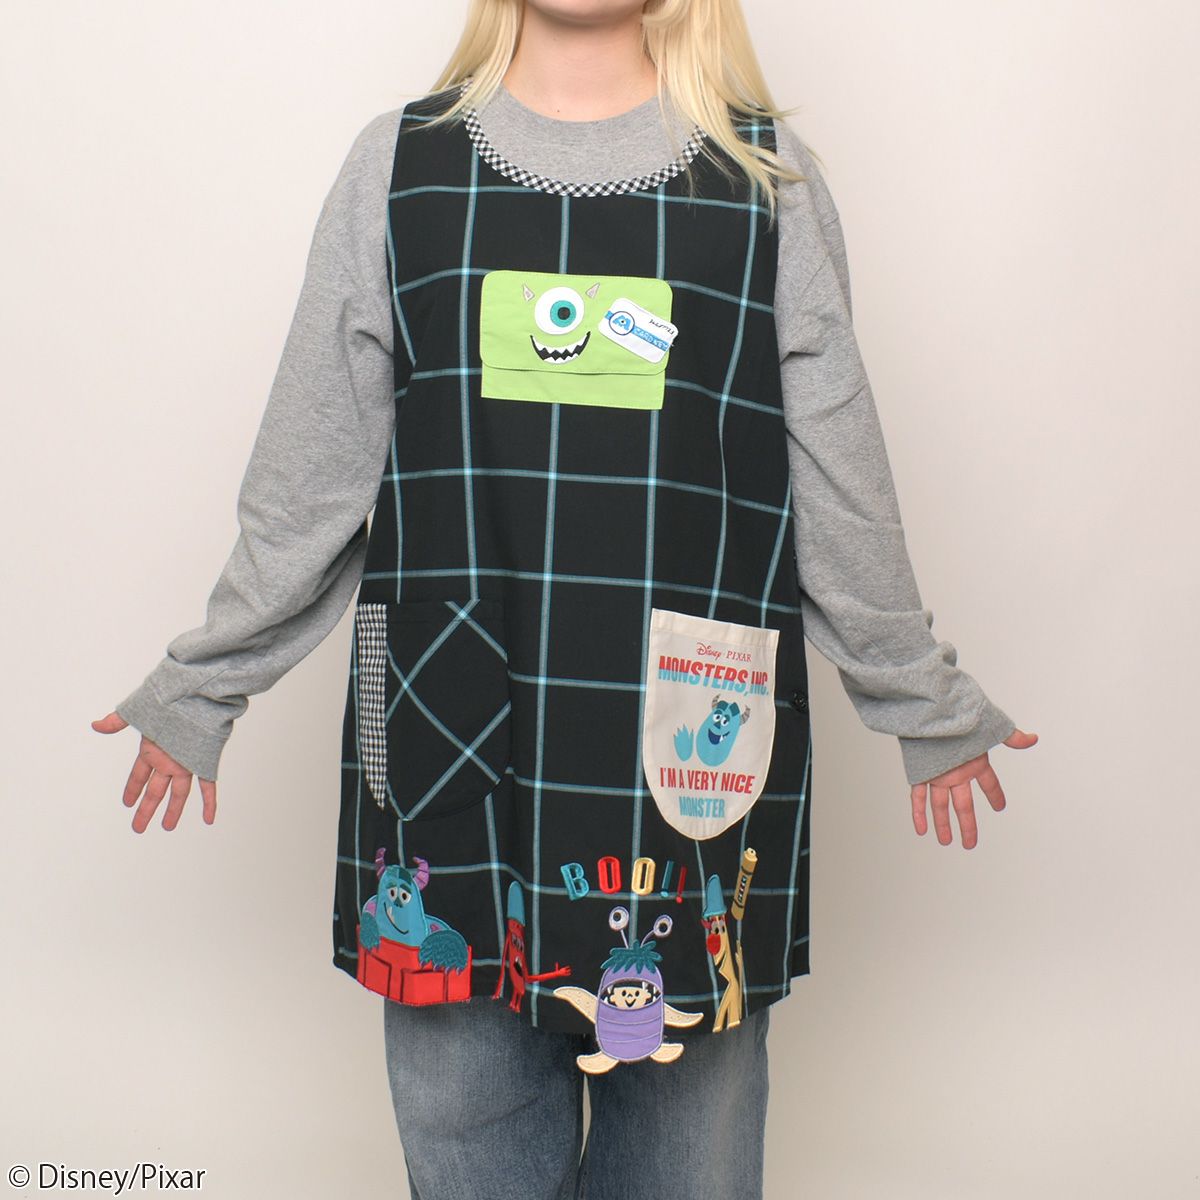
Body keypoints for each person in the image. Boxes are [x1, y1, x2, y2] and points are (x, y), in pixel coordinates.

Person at [92, 1, 1038, 1196]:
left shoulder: (766, 184)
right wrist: (205, 682)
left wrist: (918, 696)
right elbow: (311, 468)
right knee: (468, 1145)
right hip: (449, 752)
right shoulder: (400, 169)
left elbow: (837, 470)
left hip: (686, 766)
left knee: (688, 1160)